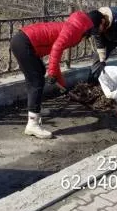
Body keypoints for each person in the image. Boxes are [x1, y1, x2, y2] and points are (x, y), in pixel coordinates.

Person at [10, 10, 96, 139]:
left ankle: (35, 108)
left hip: (23, 40)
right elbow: (57, 48)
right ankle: (33, 124)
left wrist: (61, 84)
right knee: (36, 82)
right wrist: (52, 73)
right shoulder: (73, 32)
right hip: (24, 43)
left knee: (39, 72)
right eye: (88, 37)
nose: (85, 40)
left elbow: (56, 53)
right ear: (86, 31)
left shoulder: (70, 27)